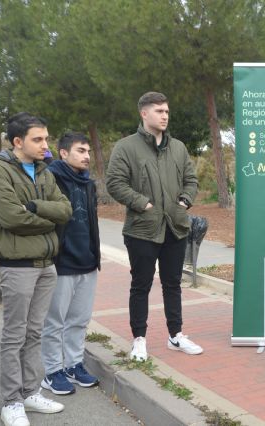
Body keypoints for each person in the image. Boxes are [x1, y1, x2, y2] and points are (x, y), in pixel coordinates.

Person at [0, 113, 72, 426]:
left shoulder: (45, 170)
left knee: (35, 332)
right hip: (17, 265)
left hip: (47, 264)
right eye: (38, 139)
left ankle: (31, 391)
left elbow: (66, 209)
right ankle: (12, 402)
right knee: (15, 334)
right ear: (18, 142)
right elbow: (11, 218)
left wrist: (35, 208)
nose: (45, 145)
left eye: (46, 138)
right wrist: (50, 219)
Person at [106, 91, 201, 361]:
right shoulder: (126, 147)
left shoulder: (178, 148)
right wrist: (142, 203)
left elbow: (191, 180)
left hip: (175, 226)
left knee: (173, 284)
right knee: (141, 286)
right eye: (159, 111)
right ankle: (139, 339)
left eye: (167, 111)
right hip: (142, 230)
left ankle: (176, 335)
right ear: (144, 113)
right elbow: (115, 183)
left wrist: (184, 201)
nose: (165, 116)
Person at [40, 132, 101, 395]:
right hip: (61, 262)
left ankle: (74, 365)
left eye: (88, 151)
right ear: (63, 153)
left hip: (87, 261)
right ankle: (52, 371)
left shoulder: (88, 183)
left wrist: (95, 255)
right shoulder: (50, 179)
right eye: (80, 150)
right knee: (54, 321)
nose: (87, 156)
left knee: (79, 319)